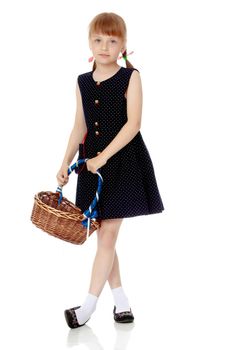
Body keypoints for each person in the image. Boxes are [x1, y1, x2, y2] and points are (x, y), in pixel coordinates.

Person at [56, 12, 165, 329]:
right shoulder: (82, 82)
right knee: (104, 237)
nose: (105, 46)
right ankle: (122, 302)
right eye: (98, 40)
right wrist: (64, 162)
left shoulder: (131, 78)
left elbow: (134, 125)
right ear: (90, 43)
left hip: (122, 164)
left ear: (124, 45)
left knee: (107, 236)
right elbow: (80, 126)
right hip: (91, 166)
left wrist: (103, 157)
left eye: (113, 40)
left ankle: (86, 309)